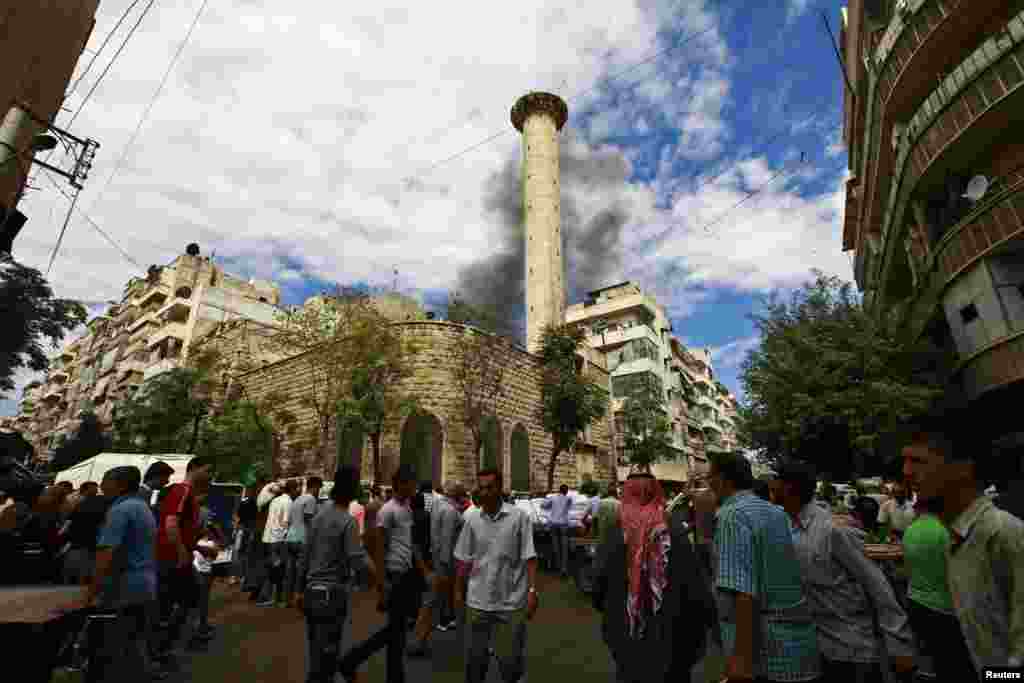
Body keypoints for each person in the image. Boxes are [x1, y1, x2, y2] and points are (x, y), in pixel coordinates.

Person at [901, 416, 1024, 673]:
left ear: (962, 468)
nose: (906, 472)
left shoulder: (1002, 533)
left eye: (919, 461)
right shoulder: (956, 535)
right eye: (906, 461)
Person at [775, 461, 916, 683]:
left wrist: (899, 645)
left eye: (776, 481)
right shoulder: (787, 527)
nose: (771, 486)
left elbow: (877, 584)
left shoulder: (834, 530)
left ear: (789, 487)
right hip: (818, 648)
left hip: (853, 650)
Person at [708, 452, 820, 683]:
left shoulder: (732, 515)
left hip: (766, 655)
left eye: (710, 476)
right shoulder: (776, 511)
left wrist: (741, 660)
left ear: (722, 479)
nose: (708, 483)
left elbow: (742, 591)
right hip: (798, 648)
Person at [593, 472, 715, 683]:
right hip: (673, 638)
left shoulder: (615, 533)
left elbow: (599, 586)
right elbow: (695, 588)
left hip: (628, 637)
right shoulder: (675, 531)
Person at [338, 464, 428, 683]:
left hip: (405, 574)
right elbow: (379, 548)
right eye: (412, 484)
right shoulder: (388, 511)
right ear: (402, 484)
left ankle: (378, 670)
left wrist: (421, 569)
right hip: (394, 574)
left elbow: (409, 543)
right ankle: (352, 660)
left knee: (397, 632)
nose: (415, 488)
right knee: (395, 631)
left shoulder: (406, 508)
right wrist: (382, 582)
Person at [70, 466, 157, 683]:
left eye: (105, 481)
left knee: (111, 648)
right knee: (132, 643)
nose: (101, 486)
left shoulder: (120, 510)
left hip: (124, 587)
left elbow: (106, 553)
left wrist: (91, 592)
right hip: (143, 584)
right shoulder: (142, 507)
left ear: (120, 485)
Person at [455, 467, 539, 683]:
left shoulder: (519, 517)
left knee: (510, 665)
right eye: (481, 488)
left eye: (489, 488)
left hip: (510, 603)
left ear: (500, 488)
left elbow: (529, 557)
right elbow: (464, 560)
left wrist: (532, 591)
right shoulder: (472, 519)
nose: (484, 492)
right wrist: (457, 593)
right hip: (478, 602)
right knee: (475, 664)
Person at [298, 465, 377, 683]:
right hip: (332, 594)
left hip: (312, 592)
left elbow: (304, 555)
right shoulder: (347, 521)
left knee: (316, 653)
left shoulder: (319, 516)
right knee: (328, 655)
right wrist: (376, 577)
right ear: (351, 489)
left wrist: (298, 590)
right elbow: (356, 558)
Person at [901, 496, 976, 683]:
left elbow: (908, 568)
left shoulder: (910, 530)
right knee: (951, 664)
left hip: (915, 600)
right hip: (944, 607)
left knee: (930, 658)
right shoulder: (945, 530)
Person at [154, 455, 214, 664]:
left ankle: (168, 646)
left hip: (179, 557)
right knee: (173, 604)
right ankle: (161, 650)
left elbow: (181, 529)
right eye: (207, 470)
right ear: (194, 468)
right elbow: (171, 523)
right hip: (171, 559)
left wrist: (197, 548)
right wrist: (181, 554)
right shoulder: (182, 490)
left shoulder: (189, 495)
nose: (210, 476)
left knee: (188, 600)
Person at [60, 485, 112, 585]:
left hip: (78, 541)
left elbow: (69, 521)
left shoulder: (81, 504)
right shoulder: (102, 502)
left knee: (79, 567)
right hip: (92, 541)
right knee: (86, 566)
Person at [285, 477, 323, 608]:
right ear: (315, 487)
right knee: (302, 571)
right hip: (302, 539)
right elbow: (308, 520)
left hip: (290, 538)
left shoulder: (297, 499)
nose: (319, 492)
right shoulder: (311, 499)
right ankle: (298, 597)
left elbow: (291, 520)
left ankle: (287, 599)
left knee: (290, 571)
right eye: (319, 488)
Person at [260, 479, 297, 607]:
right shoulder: (288, 502)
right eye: (296, 489)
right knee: (279, 569)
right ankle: (276, 598)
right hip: (279, 539)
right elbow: (285, 522)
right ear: (292, 490)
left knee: (272, 568)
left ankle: (269, 597)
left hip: (268, 537)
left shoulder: (275, 500)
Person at [189, 528, 220, 647]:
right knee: (202, 602)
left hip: (201, 573)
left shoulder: (199, 544)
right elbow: (214, 555)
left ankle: (202, 625)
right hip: (203, 574)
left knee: (202, 602)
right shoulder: (208, 544)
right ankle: (200, 628)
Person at [541, 484, 573, 578]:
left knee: (556, 546)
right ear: (566, 491)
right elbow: (569, 508)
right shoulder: (568, 499)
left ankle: (557, 567)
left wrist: (550, 505)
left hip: (553, 524)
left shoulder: (553, 498)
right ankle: (564, 569)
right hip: (563, 524)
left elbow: (543, 506)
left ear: (559, 490)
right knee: (564, 547)